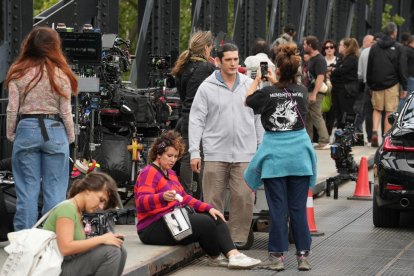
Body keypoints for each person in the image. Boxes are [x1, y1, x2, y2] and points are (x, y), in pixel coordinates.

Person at [135, 130, 261, 269]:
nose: (172, 160)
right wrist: (161, 197)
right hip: (151, 227)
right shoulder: (149, 172)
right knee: (205, 222)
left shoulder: (170, 173)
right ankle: (221, 257)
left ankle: (232, 255)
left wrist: (209, 208)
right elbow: (141, 203)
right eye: (169, 155)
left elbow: (184, 197)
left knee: (215, 216)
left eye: (176, 156)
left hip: (172, 220)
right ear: (158, 154)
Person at [244, 44, 317, 271]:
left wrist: (257, 79)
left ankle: (276, 257)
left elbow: (248, 100)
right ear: (295, 71)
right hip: (300, 158)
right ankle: (303, 257)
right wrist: (275, 80)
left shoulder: (266, 93)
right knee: (298, 210)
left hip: (276, 159)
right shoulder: (302, 91)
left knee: (278, 210)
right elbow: (286, 91)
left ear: (277, 70)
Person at [5, 26, 77, 230]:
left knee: (27, 190)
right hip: (54, 128)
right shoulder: (60, 74)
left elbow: (12, 109)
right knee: (55, 190)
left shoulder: (18, 72)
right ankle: (52, 238)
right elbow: (66, 111)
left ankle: (25, 241)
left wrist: (11, 132)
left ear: (29, 46)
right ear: (54, 47)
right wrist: (70, 137)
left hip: (27, 128)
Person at [189, 43, 257, 247]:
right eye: (228, 59)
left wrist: (261, 148)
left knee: (243, 199)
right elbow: (196, 120)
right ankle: (215, 242)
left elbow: (259, 118)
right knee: (212, 201)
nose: (234, 63)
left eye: (236, 59)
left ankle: (236, 242)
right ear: (217, 61)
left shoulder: (249, 84)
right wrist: (194, 152)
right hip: (215, 153)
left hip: (245, 152)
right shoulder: (206, 87)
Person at [43, 172, 127, 276]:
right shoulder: (67, 209)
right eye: (101, 200)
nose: (101, 207)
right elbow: (65, 248)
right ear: (88, 190)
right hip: (56, 270)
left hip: (68, 264)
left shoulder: (78, 211)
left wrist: (106, 240)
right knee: (111, 252)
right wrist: (102, 239)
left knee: (120, 249)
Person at [171, 31, 216, 197]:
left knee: (187, 157)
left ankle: (185, 195)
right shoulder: (208, 68)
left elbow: (183, 96)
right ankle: (204, 196)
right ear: (206, 47)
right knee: (204, 157)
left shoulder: (183, 67)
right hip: (203, 119)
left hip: (185, 117)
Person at [367, 22, 407, 147]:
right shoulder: (399, 47)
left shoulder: (374, 47)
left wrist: (370, 84)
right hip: (392, 84)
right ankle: (385, 137)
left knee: (377, 109)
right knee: (390, 111)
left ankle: (374, 131)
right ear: (394, 33)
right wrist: (404, 86)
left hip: (377, 84)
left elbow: (370, 66)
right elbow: (402, 68)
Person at [244, 38, 276, 144]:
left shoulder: (249, 60)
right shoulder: (269, 63)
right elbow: (265, 81)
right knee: (260, 131)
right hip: (263, 98)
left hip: (249, 95)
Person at [303, 36, 330, 149]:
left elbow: (320, 77)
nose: (303, 46)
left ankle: (324, 140)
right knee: (308, 116)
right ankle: (308, 140)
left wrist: (314, 94)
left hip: (315, 92)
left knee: (316, 115)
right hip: (309, 90)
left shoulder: (319, 59)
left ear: (310, 45)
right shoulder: (312, 59)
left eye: (305, 44)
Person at [330, 38, 360, 129]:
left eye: (340, 45)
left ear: (346, 47)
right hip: (339, 89)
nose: (338, 47)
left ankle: (347, 137)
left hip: (346, 90)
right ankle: (340, 136)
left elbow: (340, 71)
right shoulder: (343, 58)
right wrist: (334, 69)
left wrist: (333, 70)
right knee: (339, 114)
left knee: (346, 114)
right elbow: (337, 70)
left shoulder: (351, 59)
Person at [358, 34, 375, 143]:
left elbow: (360, 73)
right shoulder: (377, 51)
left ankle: (369, 137)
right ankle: (383, 136)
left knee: (367, 112)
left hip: (366, 85)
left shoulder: (363, 52)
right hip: (380, 85)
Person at [321, 39, 338, 135]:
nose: (329, 49)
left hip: (334, 88)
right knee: (322, 110)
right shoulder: (322, 60)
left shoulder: (338, 60)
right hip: (323, 88)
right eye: (327, 47)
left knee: (332, 112)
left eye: (331, 47)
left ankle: (328, 133)